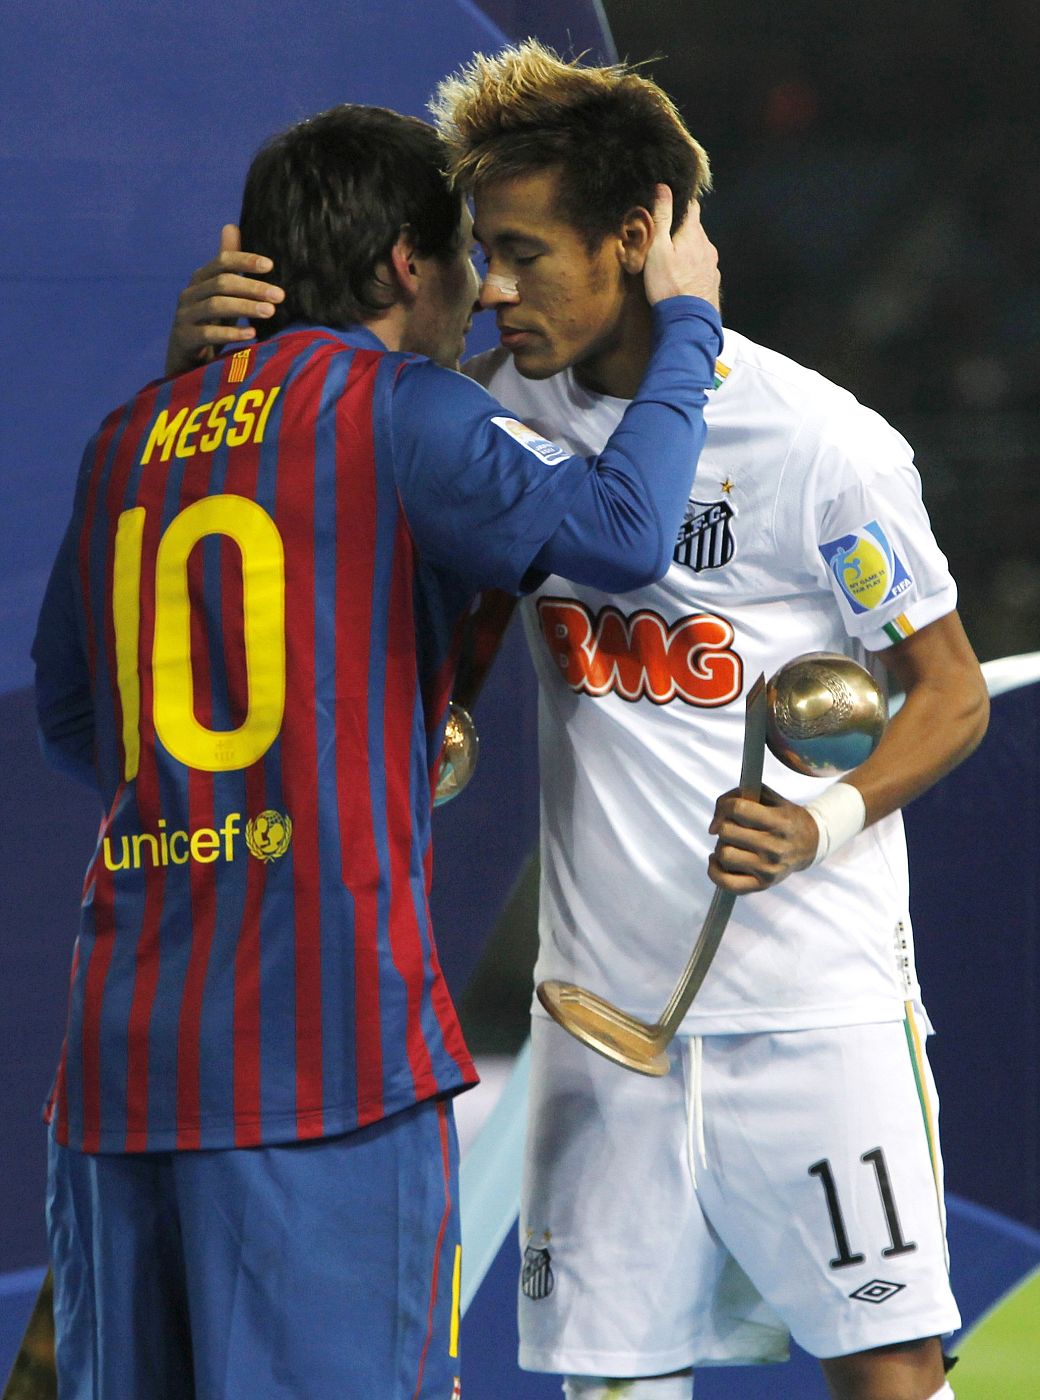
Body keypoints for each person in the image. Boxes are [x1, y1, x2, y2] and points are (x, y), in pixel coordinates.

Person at [166, 45, 990, 1400]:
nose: (491, 287)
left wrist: (818, 818)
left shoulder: (821, 444)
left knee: (891, 1375)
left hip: (814, 1009)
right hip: (599, 1023)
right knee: (607, 1389)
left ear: (638, 238)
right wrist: (209, 376)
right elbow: (421, 610)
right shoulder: (489, 416)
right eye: (479, 251)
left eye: (525, 253)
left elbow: (947, 692)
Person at [34, 99, 723, 1400]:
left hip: (122, 1076)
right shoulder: (396, 410)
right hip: (322, 1065)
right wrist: (687, 321)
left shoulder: (130, 436)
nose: (481, 291)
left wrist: (249, 778)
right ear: (406, 264)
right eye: (465, 255)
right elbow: (628, 535)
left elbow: (80, 722)